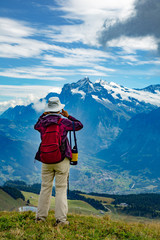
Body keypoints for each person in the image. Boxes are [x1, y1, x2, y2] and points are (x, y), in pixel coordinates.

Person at [34, 97, 83, 226]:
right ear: (59, 108)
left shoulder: (42, 123)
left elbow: (36, 126)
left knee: (45, 188)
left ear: (47, 109)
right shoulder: (63, 122)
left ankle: (40, 218)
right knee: (61, 189)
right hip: (61, 160)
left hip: (46, 160)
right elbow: (79, 125)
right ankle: (61, 220)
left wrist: (42, 115)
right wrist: (69, 116)